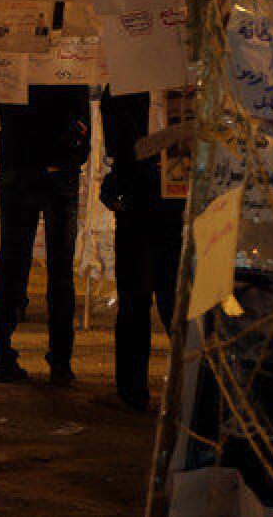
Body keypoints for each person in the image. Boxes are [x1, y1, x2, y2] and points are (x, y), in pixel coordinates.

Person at [0, 85, 90, 385]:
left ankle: (2, 355)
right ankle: (60, 361)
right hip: (58, 172)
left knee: (11, 264)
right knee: (60, 272)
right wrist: (73, 157)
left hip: (18, 169)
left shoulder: (11, 65)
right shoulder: (68, 68)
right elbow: (83, 128)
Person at [100, 88, 185, 412]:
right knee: (171, 300)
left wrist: (115, 187)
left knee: (138, 302)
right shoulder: (185, 82)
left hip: (140, 206)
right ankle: (189, 392)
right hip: (173, 204)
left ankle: (133, 391)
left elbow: (125, 151)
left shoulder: (124, 90)